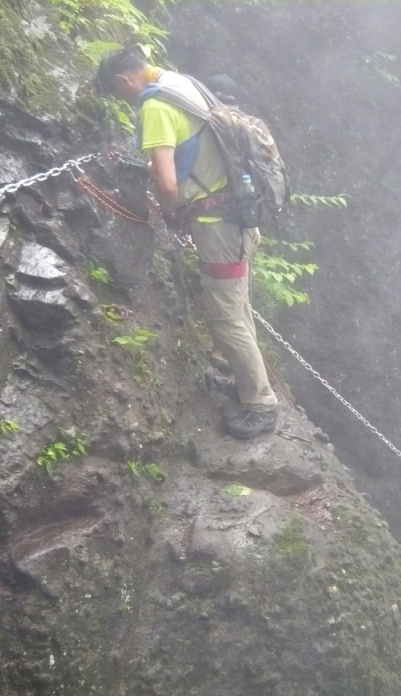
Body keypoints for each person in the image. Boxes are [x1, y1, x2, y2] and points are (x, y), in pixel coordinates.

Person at [95, 47, 278, 440]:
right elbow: (192, 150)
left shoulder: (155, 106)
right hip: (240, 212)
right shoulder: (180, 83)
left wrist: (166, 210)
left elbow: (167, 185)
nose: (124, 103)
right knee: (237, 307)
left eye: (118, 95)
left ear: (123, 81)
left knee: (225, 316)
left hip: (217, 224)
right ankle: (249, 383)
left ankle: (261, 405)